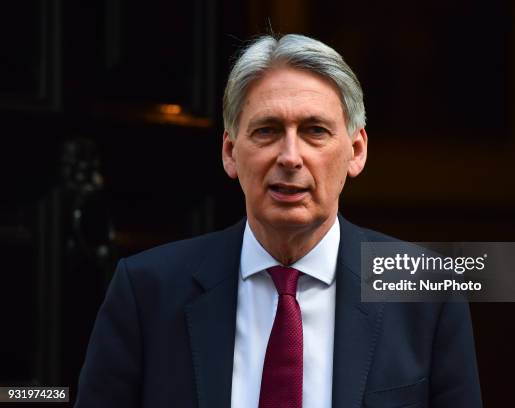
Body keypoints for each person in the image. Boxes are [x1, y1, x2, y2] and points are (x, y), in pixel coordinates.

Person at [75, 34, 482, 408]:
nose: (290, 156)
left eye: (314, 131)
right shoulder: (146, 292)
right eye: (267, 131)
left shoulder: (428, 295)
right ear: (231, 152)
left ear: (356, 151)